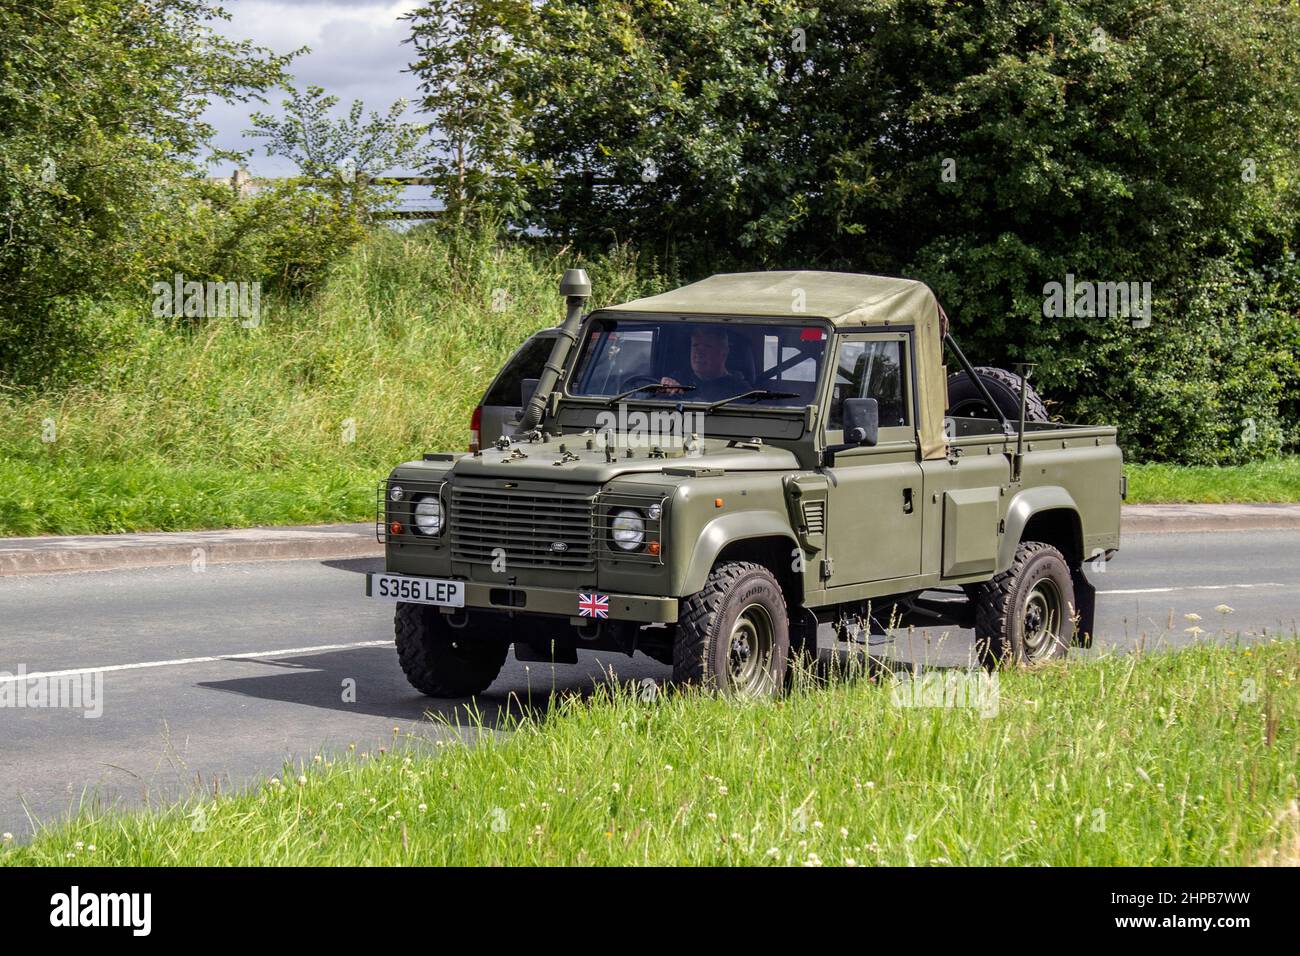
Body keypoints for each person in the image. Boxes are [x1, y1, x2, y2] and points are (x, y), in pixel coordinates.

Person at [660, 326, 751, 401]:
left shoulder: (740, 390)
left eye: (707, 347)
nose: (699, 352)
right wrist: (663, 389)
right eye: (695, 345)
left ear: (723, 352)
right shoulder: (677, 380)